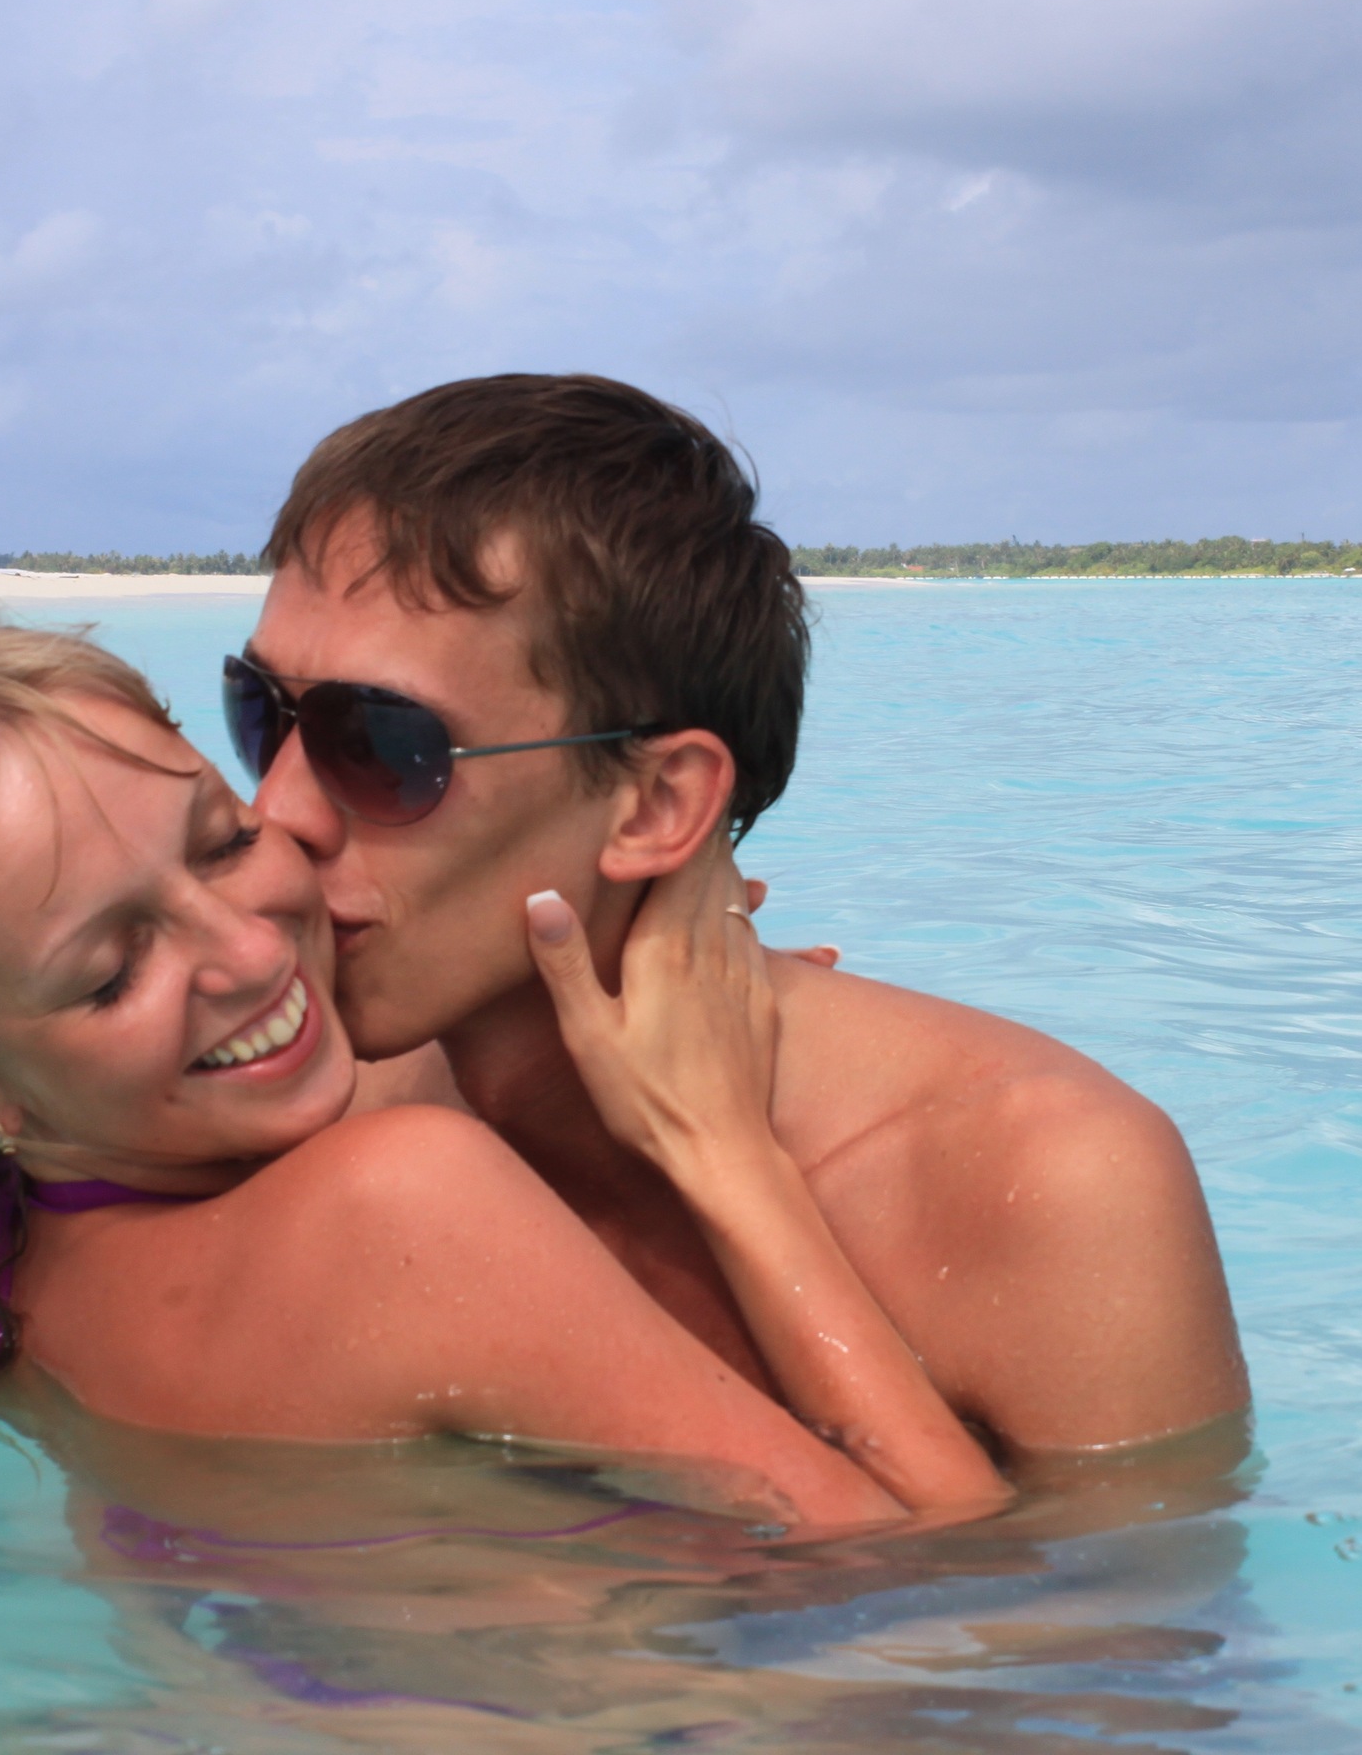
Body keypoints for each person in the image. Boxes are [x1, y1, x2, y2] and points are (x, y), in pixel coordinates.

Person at [0, 615, 1004, 1529]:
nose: (247, 946)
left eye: (223, 842)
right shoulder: (395, 1208)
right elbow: (924, 1580)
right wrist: (728, 1150)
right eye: (111, 971)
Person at [239, 373, 1252, 1461]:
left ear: (656, 806)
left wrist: (727, 1169)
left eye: (378, 744)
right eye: (263, 715)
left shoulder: (1049, 1179)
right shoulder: (303, 1099)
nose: (275, 811)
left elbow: (1130, 1578)